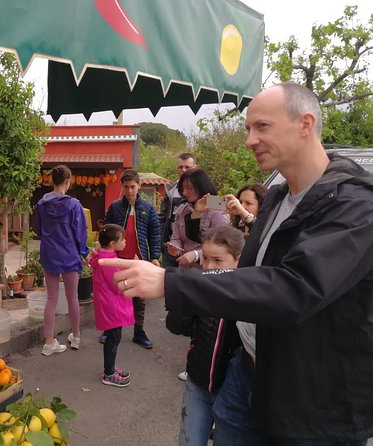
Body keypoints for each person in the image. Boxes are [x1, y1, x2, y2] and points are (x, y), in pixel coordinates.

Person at [100, 82, 373, 445]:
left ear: (305, 124)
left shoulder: (355, 205)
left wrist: (171, 282)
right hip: (245, 373)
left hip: (313, 401)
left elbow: (292, 289)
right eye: (248, 129)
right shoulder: (277, 196)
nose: (249, 140)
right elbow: (250, 274)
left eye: (262, 127)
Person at [166, 225, 244, 446]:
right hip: (198, 381)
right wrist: (187, 294)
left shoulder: (248, 297)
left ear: (238, 260)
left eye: (218, 261)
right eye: (205, 259)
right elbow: (175, 326)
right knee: (189, 440)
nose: (209, 267)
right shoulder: (199, 285)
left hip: (232, 389)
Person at [102, 169, 161, 349]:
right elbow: (106, 231)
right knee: (113, 296)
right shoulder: (114, 207)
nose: (129, 191)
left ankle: (139, 332)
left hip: (139, 258)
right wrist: (104, 252)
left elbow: (154, 234)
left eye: (133, 187)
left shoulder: (148, 208)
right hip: (117, 259)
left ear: (139, 186)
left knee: (138, 297)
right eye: (126, 187)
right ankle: (110, 328)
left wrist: (155, 257)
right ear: (122, 187)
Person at [35, 165, 89, 356]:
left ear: (52, 181)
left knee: (51, 298)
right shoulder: (74, 205)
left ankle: (49, 341)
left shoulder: (42, 203)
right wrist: (84, 253)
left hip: (50, 254)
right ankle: (76, 336)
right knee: (72, 297)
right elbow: (80, 232)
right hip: (69, 254)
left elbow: (38, 230)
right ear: (68, 181)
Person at [90, 224, 135, 387]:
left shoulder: (103, 257)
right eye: (122, 240)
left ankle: (110, 367)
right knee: (114, 338)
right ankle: (108, 373)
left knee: (112, 337)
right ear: (112, 244)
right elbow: (118, 284)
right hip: (112, 305)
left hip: (108, 303)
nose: (124, 243)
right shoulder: (109, 262)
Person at [166, 168, 230, 269]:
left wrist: (197, 254)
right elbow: (176, 238)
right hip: (185, 268)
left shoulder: (218, 207)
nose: (185, 193)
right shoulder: (183, 209)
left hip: (208, 269)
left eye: (190, 188)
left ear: (201, 187)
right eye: (183, 189)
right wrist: (174, 247)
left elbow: (223, 244)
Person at [160, 153, 196, 267]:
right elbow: (163, 216)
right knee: (167, 280)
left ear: (195, 167)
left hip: (193, 249)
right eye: (180, 167)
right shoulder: (170, 189)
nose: (183, 170)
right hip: (171, 245)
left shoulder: (202, 189)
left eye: (187, 167)